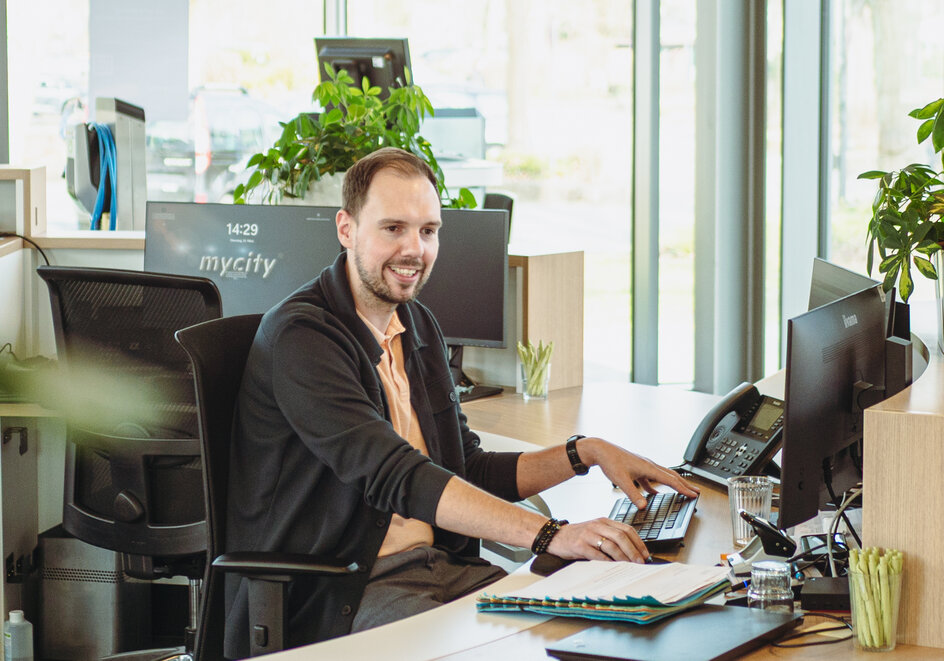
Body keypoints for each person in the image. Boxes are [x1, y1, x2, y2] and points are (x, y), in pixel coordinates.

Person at [224, 147, 698, 657]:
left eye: (428, 231)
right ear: (346, 229)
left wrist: (587, 452)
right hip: (344, 591)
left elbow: (465, 466)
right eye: (393, 229)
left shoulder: (416, 325)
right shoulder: (304, 336)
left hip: (442, 570)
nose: (414, 249)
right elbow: (397, 475)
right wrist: (548, 534)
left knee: (601, 628)